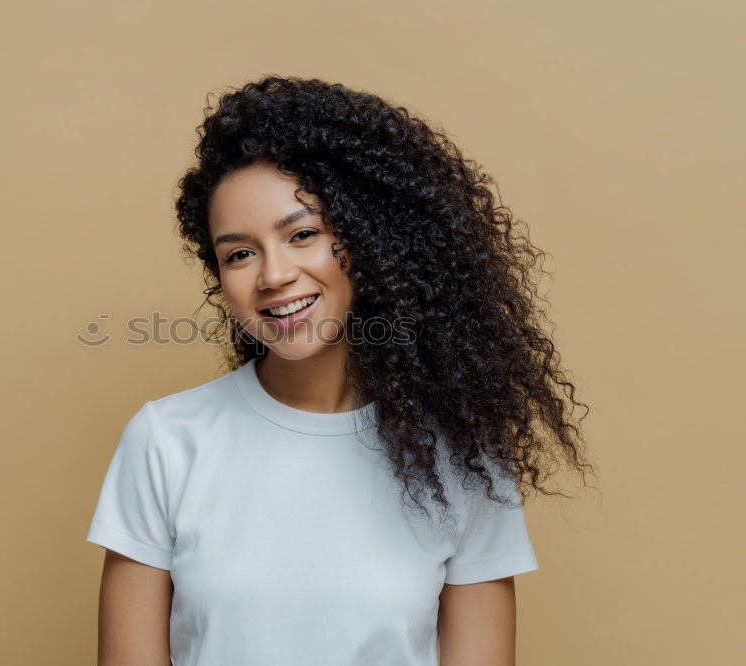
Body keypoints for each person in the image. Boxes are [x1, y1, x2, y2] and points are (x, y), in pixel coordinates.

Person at [86, 75, 594, 665]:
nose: (273, 275)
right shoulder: (167, 442)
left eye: (303, 234)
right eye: (240, 253)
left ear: (374, 240)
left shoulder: (462, 455)